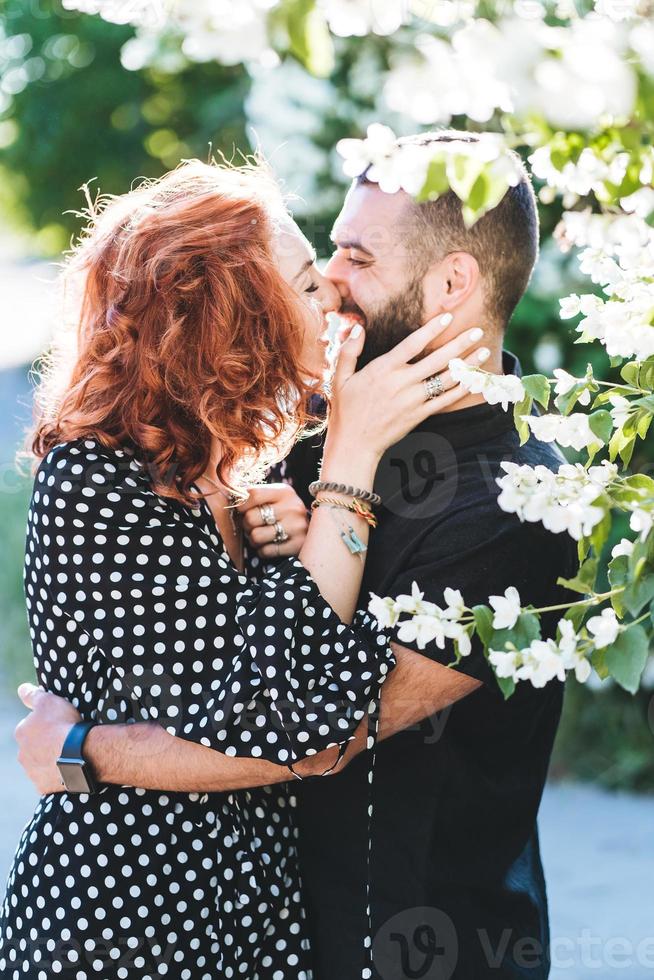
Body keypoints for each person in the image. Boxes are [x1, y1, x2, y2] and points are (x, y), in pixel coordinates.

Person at [11, 132, 577, 979]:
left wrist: (79, 749)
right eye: (321, 262)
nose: (331, 288)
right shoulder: (300, 446)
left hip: (426, 945)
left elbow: (317, 736)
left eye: (351, 257)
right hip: (197, 925)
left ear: (453, 283)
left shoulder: (521, 506)